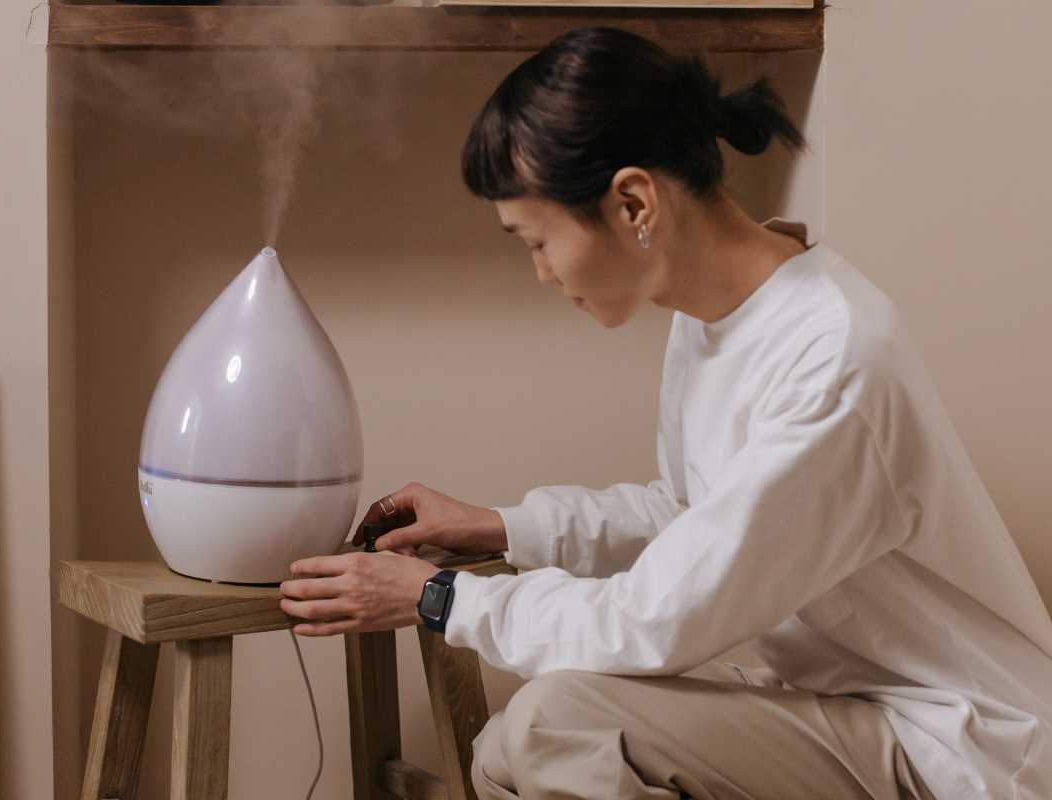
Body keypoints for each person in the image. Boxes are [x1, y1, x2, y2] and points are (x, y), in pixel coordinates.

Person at [278, 26, 1052, 800]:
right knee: (512, 752)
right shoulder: (713, 316)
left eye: (537, 240)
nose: (542, 273)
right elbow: (692, 514)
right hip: (850, 710)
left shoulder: (833, 357)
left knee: (551, 729)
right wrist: (501, 525)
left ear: (634, 202)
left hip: (958, 747)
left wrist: (438, 597)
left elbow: (661, 619)